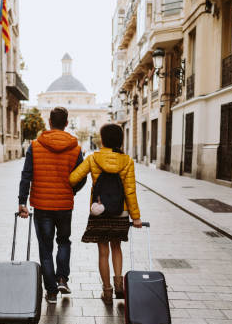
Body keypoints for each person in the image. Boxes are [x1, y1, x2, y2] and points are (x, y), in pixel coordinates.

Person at [18, 107, 86, 304]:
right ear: (66, 123)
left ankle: (51, 291)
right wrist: (71, 191)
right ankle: (62, 279)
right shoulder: (75, 148)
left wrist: (22, 201)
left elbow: (26, 175)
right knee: (64, 241)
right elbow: (81, 177)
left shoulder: (35, 145)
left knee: (45, 248)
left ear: (49, 122)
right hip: (65, 205)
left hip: (41, 205)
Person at [69, 124, 142, 304]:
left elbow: (73, 178)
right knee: (116, 247)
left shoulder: (93, 159)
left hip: (99, 211)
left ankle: (107, 292)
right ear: (120, 140)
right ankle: (119, 286)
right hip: (121, 212)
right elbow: (130, 191)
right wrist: (136, 217)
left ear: (102, 140)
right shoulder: (127, 161)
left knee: (103, 252)